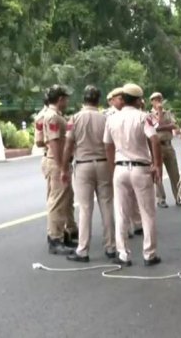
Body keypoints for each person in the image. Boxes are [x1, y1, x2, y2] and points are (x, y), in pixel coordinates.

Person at [104, 83, 163, 266]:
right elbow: (154, 139)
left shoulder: (111, 118)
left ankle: (123, 254)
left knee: (121, 213)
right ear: (138, 100)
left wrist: (112, 167)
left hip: (120, 167)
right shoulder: (142, 117)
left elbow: (107, 145)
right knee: (147, 212)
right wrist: (157, 165)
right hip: (141, 168)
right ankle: (149, 254)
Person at [61, 85, 116, 262]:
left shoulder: (74, 118)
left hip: (83, 165)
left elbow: (69, 145)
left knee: (85, 208)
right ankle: (110, 247)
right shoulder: (105, 118)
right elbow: (111, 144)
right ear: (98, 100)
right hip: (103, 164)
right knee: (107, 205)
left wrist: (64, 168)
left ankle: (83, 249)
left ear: (83, 100)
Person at [41, 85, 78, 255]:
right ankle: (55, 239)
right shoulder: (53, 117)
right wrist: (62, 167)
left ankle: (62, 235)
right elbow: (55, 144)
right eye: (66, 98)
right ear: (60, 99)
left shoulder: (56, 116)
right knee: (56, 200)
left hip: (60, 162)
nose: (67, 101)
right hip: (57, 163)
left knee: (64, 199)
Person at [104, 87, 142, 237]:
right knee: (121, 200)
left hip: (133, 160)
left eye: (123, 97)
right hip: (118, 160)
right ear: (112, 100)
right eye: (118, 98)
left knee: (134, 195)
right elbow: (107, 143)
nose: (121, 100)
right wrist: (111, 164)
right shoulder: (108, 116)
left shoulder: (134, 113)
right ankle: (124, 230)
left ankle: (137, 223)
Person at [150, 92, 181, 208]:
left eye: (159, 98)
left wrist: (163, 126)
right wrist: (160, 116)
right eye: (155, 99)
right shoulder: (150, 115)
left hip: (168, 144)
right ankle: (161, 199)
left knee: (174, 172)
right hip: (157, 146)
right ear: (151, 102)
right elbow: (156, 126)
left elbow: (174, 126)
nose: (158, 101)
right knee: (158, 172)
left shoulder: (168, 113)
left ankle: (179, 197)